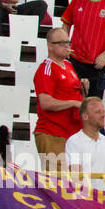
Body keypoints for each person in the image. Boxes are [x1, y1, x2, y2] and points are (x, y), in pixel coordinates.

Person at [33, 28, 85, 170]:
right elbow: (45, 102)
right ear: (50, 46)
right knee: (58, 183)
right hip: (53, 132)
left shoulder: (69, 65)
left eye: (68, 42)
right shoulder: (46, 68)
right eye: (62, 43)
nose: (67, 46)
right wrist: (73, 103)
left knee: (75, 184)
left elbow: (76, 97)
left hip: (72, 134)